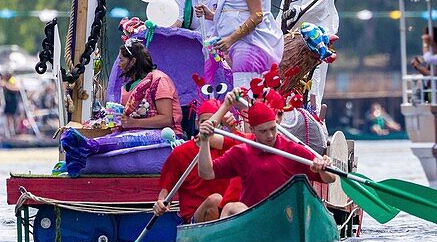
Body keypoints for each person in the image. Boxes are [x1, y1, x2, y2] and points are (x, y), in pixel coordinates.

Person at [198, 99, 336, 218]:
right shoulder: (241, 151)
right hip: (251, 218)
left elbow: (331, 178)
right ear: (252, 130)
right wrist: (204, 142)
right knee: (233, 207)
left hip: (285, 216)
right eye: (263, 131)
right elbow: (207, 173)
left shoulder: (292, 150)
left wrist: (323, 169)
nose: (270, 136)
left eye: (273, 129)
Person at [153, 99, 239, 224]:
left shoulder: (230, 147)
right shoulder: (180, 153)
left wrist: (233, 128)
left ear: (221, 126)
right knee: (215, 200)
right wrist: (160, 203)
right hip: (197, 218)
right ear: (197, 123)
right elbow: (165, 193)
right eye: (205, 123)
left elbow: (251, 147)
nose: (209, 128)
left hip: (228, 214)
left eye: (214, 124)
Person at [118, 39, 183, 134]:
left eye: (121, 60)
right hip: (134, 136)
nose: (118, 65)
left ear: (132, 61)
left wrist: (133, 123)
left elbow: (166, 119)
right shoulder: (127, 87)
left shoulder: (159, 80)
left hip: (164, 137)